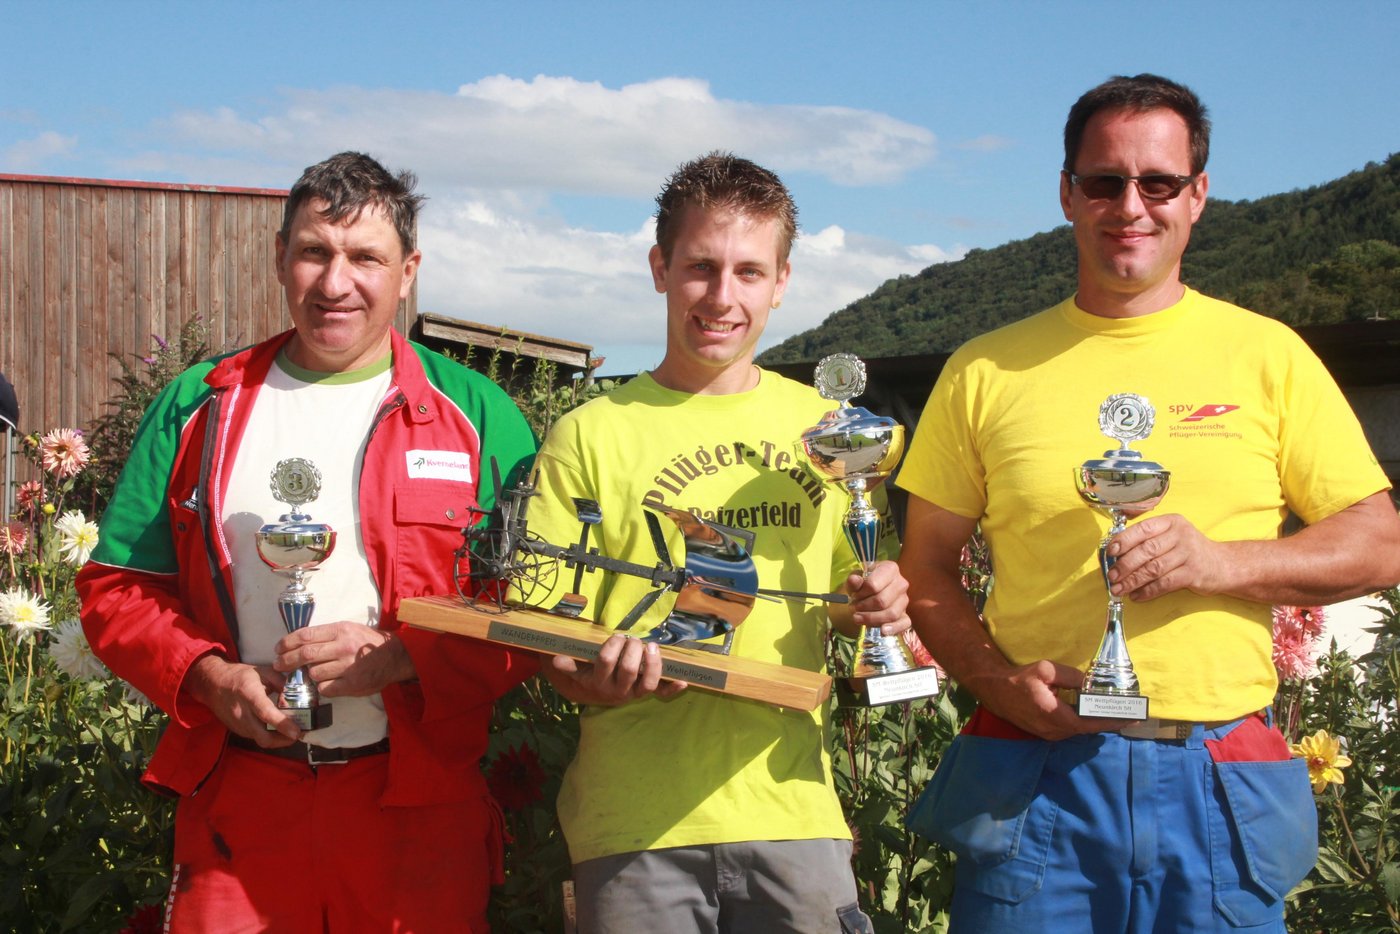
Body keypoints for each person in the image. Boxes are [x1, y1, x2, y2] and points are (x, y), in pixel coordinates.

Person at [896, 73, 1400, 932]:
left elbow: (1379, 542)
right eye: (1104, 181)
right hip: (1035, 771)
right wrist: (995, 683)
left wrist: (1223, 563)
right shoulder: (983, 370)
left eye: (1158, 183)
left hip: (1218, 777)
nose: (1131, 205)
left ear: (1196, 196)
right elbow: (927, 571)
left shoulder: (1267, 356)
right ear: (1067, 193)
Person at [77, 152, 537, 932]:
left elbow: (528, 609)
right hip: (241, 801)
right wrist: (209, 676)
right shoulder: (200, 405)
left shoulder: (480, 417)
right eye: (314, 251)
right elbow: (115, 586)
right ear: (280, 256)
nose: (335, 283)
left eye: (365, 258)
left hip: (416, 804)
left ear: (409, 269)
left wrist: (402, 657)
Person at [523, 152, 908, 933]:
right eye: (700, 267)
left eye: (748, 272)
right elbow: (547, 643)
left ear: (782, 281)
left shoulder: (829, 433)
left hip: (794, 811)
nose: (722, 297)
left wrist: (879, 601)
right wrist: (595, 680)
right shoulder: (588, 434)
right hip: (635, 825)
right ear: (660, 267)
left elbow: (846, 598)